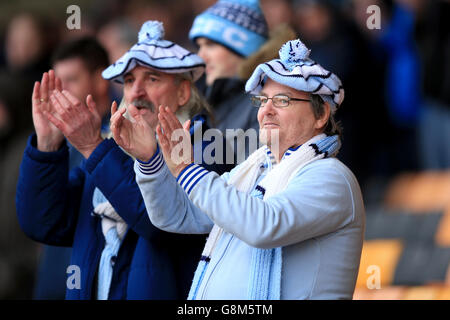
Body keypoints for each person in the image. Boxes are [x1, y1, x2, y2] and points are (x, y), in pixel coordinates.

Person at [111, 39, 366, 299]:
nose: (266, 111)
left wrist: (186, 169)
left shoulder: (332, 176)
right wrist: (149, 162)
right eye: (262, 100)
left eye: (281, 100)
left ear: (321, 114)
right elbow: (177, 215)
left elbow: (264, 225)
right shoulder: (255, 168)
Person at [16, 21, 228, 300]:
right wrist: (47, 144)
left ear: (183, 93)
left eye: (152, 79)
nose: (137, 92)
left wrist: (93, 147)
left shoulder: (208, 150)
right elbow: (44, 223)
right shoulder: (110, 153)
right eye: (129, 81)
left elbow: (160, 224)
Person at [31, 37, 114, 300]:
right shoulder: (52, 138)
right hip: (54, 282)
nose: (59, 91)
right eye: (56, 82)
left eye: (70, 80)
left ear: (100, 80)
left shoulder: (125, 138)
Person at [189, 0, 269, 161]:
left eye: (210, 45)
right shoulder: (207, 98)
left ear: (243, 49)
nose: (200, 57)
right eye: (199, 46)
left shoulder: (265, 103)